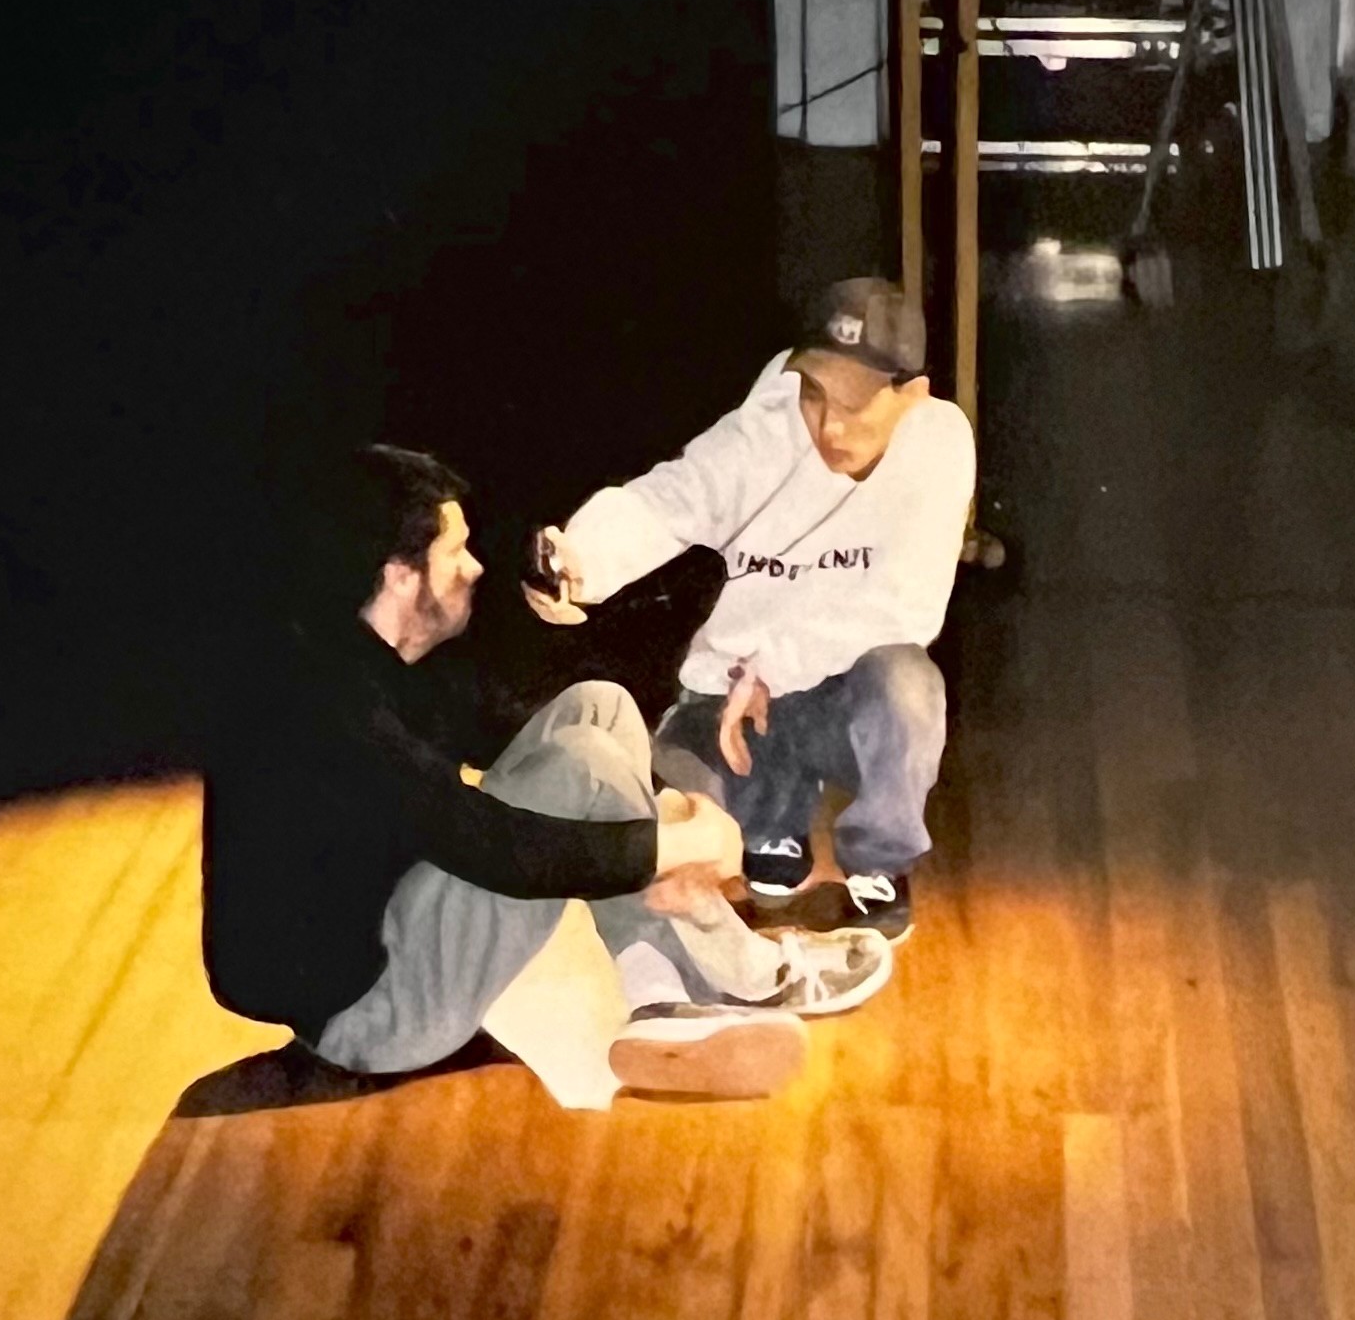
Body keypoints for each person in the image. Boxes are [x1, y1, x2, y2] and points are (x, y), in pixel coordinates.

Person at [203, 445, 890, 1092]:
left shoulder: (358, 648)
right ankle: (729, 977)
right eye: (454, 553)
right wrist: (667, 844)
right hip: (376, 1014)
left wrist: (660, 810)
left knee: (599, 710)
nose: (475, 567)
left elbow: (494, 728)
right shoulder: (332, 712)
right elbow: (495, 846)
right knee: (584, 764)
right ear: (399, 575)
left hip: (390, 923)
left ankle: (662, 990)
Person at [531, 279, 973, 942]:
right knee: (671, 850)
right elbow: (673, 497)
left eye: (853, 406)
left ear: (910, 394)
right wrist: (577, 562)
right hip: (739, 709)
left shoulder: (940, 444)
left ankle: (877, 859)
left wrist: (771, 668)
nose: (828, 425)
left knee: (909, 682)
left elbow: (904, 608)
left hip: (843, 701)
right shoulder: (767, 427)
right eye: (815, 394)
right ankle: (773, 823)